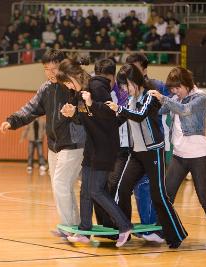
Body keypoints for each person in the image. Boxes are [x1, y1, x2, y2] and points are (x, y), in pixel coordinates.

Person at [0, 49, 85, 237]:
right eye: (46, 69)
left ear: (63, 67)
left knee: (61, 183)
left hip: (74, 143)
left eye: (54, 69)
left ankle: (70, 227)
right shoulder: (46, 88)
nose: (50, 73)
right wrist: (12, 120)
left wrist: (76, 112)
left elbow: (88, 110)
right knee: (61, 185)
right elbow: (30, 108)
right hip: (54, 145)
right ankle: (73, 225)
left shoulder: (73, 86)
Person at [106, 64, 188, 248]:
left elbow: (140, 115)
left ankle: (176, 235)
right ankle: (124, 229)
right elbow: (118, 121)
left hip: (153, 151)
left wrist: (118, 109)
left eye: (126, 85)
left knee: (158, 196)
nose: (124, 90)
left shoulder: (150, 96)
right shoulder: (129, 100)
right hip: (137, 154)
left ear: (134, 81)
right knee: (121, 188)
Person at [57, 57, 132, 247]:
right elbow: (85, 118)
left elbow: (111, 113)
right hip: (92, 145)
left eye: (67, 82)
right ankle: (84, 229)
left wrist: (92, 104)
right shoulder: (79, 92)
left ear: (75, 76)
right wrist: (72, 113)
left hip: (105, 146)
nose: (68, 86)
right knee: (85, 190)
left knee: (96, 190)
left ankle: (124, 225)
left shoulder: (97, 88)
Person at [149, 66, 206, 249]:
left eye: (177, 88)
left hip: (199, 156)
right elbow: (159, 111)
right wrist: (149, 100)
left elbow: (185, 110)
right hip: (179, 156)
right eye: (172, 89)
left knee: (204, 197)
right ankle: (160, 231)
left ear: (187, 84)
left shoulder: (200, 97)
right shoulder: (174, 98)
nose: (175, 92)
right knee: (166, 195)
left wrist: (163, 97)